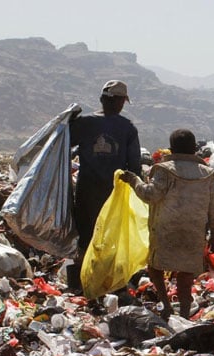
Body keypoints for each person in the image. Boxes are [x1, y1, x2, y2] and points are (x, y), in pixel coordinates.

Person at [120, 129, 214, 320]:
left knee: (155, 267)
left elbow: (150, 195)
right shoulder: (208, 175)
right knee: (186, 275)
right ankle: (184, 314)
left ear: (171, 148)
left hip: (166, 230)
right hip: (193, 232)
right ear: (194, 149)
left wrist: (134, 180)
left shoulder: (164, 170)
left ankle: (166, 306)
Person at [66, 80, 142, 293]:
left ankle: (83, 283)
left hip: (86, 190)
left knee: (86, 235)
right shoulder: (127, 128)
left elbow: (61, 144)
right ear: (119, 101)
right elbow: (134, 166)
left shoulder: (84, 123)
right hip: (113, 194)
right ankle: (109, 283)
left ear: (102, 99)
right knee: (111, 237)